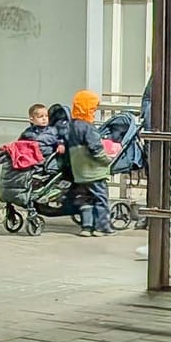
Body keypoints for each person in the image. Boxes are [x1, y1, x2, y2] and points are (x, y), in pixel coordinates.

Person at [65, 90, 114, 236]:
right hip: (93, 171)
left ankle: (86, 227)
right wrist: (106, 160)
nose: (94, 111)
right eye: (92, 108)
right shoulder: (88, 127)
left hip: (79, 172)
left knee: (85, 199)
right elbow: (95, 148)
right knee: (100, 198)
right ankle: (102, 228)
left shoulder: (71, 126)